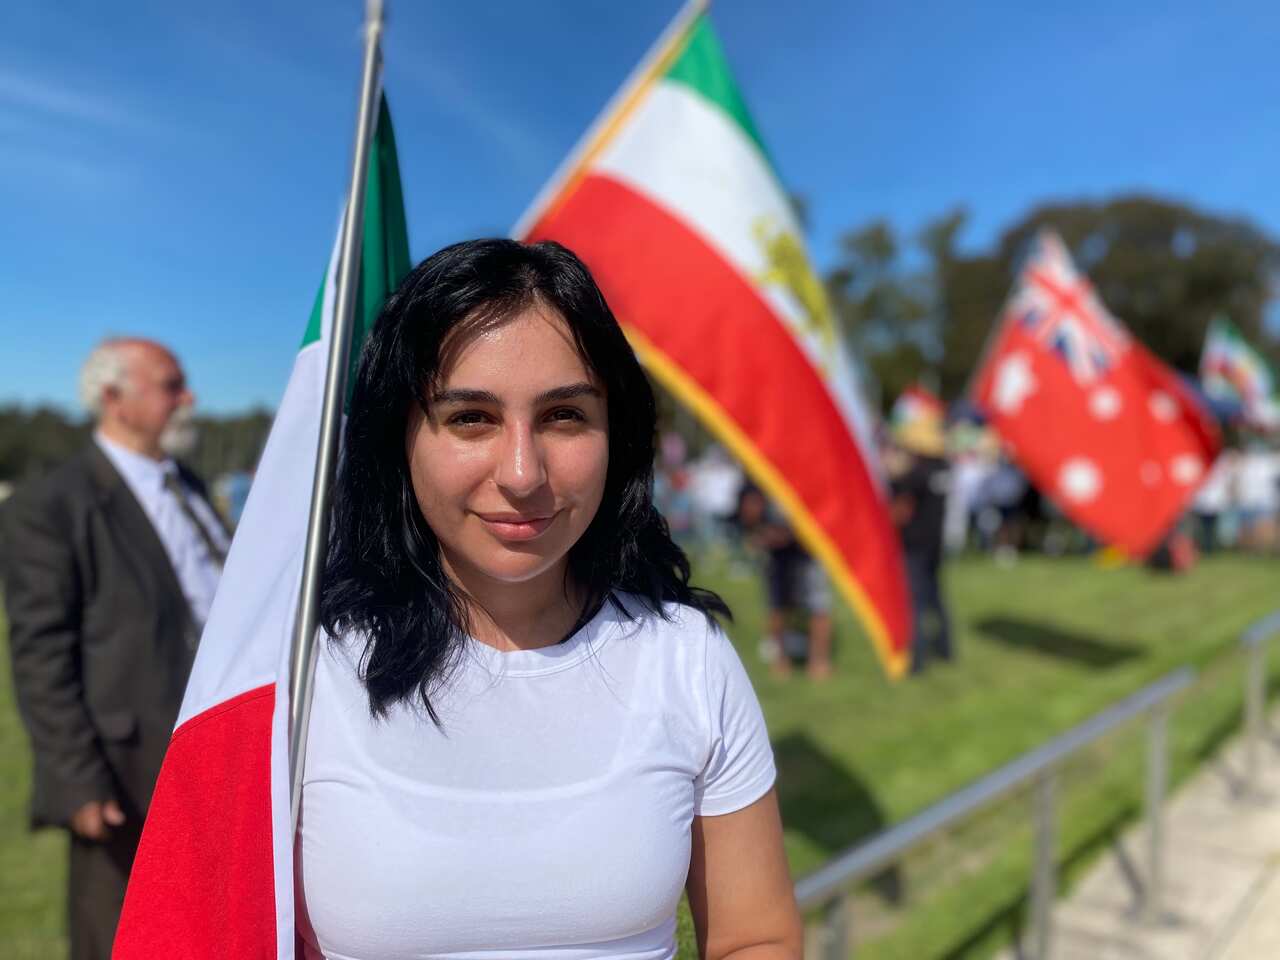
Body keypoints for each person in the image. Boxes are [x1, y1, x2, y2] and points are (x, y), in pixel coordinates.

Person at [298, 239, 802, 958]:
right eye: (471, 417)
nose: (523, 471)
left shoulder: (687, 658)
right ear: (398, 438)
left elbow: (756, 937)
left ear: (615, 432)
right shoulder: (304, 674)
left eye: (564, 415)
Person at [1, 337, 227, 960]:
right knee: (120, 932)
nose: (189, 397)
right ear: (112, 398)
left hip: (214, 745)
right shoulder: (52, 505)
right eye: (170, 384)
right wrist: (76, 780)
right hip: (125, 767)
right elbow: (41, 654)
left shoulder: (185, 481)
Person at [733, 483, 834, 680]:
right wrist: (763, 534)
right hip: (778, 557)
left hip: (808, 553)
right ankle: (781, 661)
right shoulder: (761, 476)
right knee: (778, 608)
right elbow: (749, 512)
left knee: (818, 606)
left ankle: (819, 662)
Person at [887, 413, 953, 674]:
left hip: (914, 543)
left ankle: (918, 659)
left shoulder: (914, 475)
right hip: (935, 542)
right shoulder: (943, 469)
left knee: (914, 601)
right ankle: (947, 648)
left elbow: (900, 512)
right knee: (936, 596)